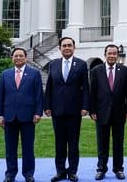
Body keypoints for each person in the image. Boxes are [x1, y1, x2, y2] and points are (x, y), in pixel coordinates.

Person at [45, 37, 90, 182]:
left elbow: (85, 88)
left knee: (73, 143)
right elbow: (49, 87)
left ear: (74, 48)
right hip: (57, 110)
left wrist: (85, 107)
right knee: (59, 143)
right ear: (60, 48)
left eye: (69, 45)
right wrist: (47, 106)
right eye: (64, 46)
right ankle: (60, 171)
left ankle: (72, 172)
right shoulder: (53, 64)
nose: (67, 48)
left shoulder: (82, 64)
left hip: (74, 111)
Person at [0, 47, 44, 182]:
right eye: (15, 56)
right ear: (12, 58)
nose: (18, 58)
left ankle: (28, 174)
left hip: (28, 116)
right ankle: (10, 174)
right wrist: (0, 114)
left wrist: (38, 112)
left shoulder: (34, 73)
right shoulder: (5, 74)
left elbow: (39, 95)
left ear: (26, 57)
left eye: (20, 56)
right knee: (10, 148)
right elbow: (0, 96)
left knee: (28, 147)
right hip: (9, 116)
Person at [90, 44, 127, 180]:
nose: (112, 56)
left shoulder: (124, 70)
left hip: (119, 113)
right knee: (102, 143)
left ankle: (118, 169)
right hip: (101, 112)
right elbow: (93, 92)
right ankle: (101, 169)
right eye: (110, 53)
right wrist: (92, 110)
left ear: (117, 55)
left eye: (115, 53)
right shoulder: (96, 70)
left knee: (118, 143)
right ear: (105, 54)